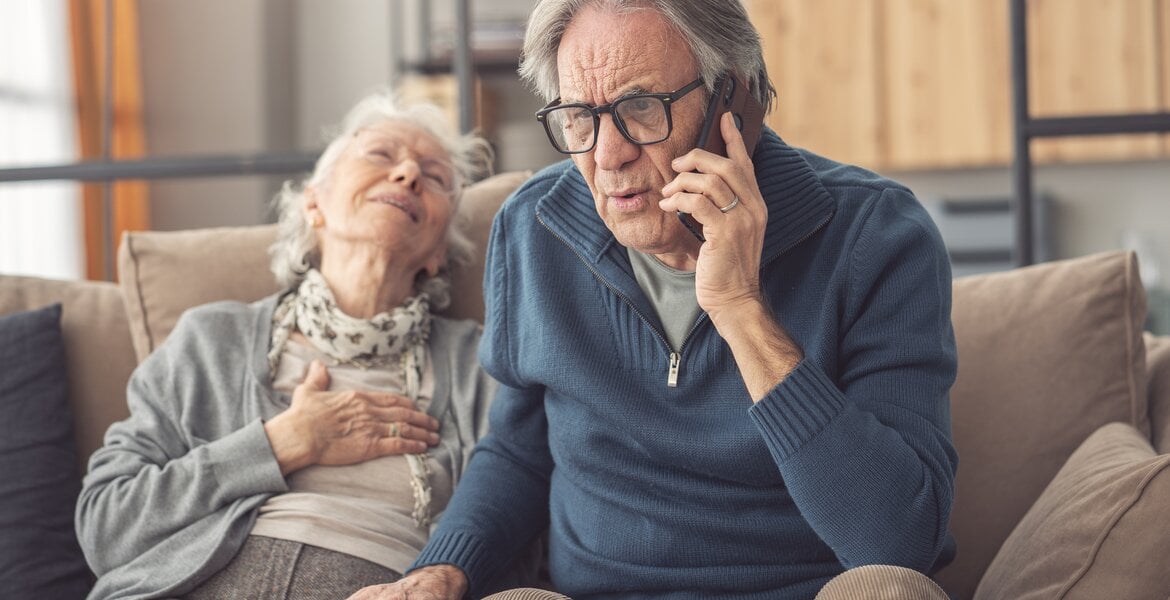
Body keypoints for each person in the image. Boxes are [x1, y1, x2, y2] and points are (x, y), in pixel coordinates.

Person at [352, 1, 958, 598]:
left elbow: (897, 541)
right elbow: (518, 453)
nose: (607, 155)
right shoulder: (532, 230)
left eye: (640, 108)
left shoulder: (876, 234)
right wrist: (439, 572)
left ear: (733, 103)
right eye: (578, 117)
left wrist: (742, 307)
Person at [75, 91, 509, 599]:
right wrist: (284, 442)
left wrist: (440, 577)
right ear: (314, 202)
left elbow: (517, 521)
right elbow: (106, 526)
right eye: (380, 155)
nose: (408, 175)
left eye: (434, 178)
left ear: (439, 252)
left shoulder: (478, 368)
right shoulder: (212, 341)